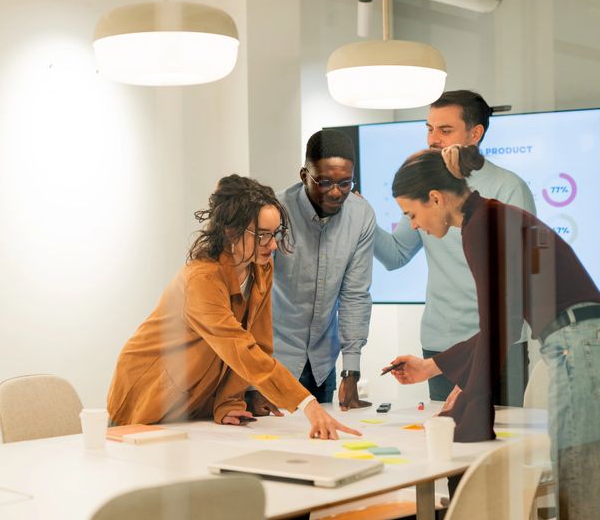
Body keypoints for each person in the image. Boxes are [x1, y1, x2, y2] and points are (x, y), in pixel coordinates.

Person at [386, 146, 600, 519]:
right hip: (585, 339)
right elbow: (504, 322)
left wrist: (468, 405)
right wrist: (435, 367)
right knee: (582, 481)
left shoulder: (480, 226)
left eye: (411, 214)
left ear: (434, 198)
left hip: (577, 343)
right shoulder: (491, 216)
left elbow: (497, 324)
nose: (413, 224)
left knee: (580, 485)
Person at [107, 175, 361, 440]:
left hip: (191, 402)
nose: (272, 245)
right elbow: (239, 347)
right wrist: (305, 403)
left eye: (276, 234)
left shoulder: (260, 267)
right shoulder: (201, 280)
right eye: (263, 235)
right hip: (148, 396)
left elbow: (258, 342)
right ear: (231, 230)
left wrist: (229, 402)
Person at [374, 90, 536, 406]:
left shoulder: (508, 189)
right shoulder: (425, 187)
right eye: (429, 128)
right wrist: (357, 216)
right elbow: (395, 255)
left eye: (445, 130)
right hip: (440, 341)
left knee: (501, 440)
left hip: (501, 343)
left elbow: (520, 280)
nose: (433, 139)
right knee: (447, 437)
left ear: (475, 134)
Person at [246, 130, 375, 416]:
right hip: (272, 362)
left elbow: (354, 295)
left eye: (345, 182)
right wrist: (251, 383)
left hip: (321, 365)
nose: (335, 191)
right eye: (325, 181)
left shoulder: (361, 215)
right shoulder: (275, 212)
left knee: (323, 448)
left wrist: (350, 372)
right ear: (304, 174)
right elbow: (251, 295)